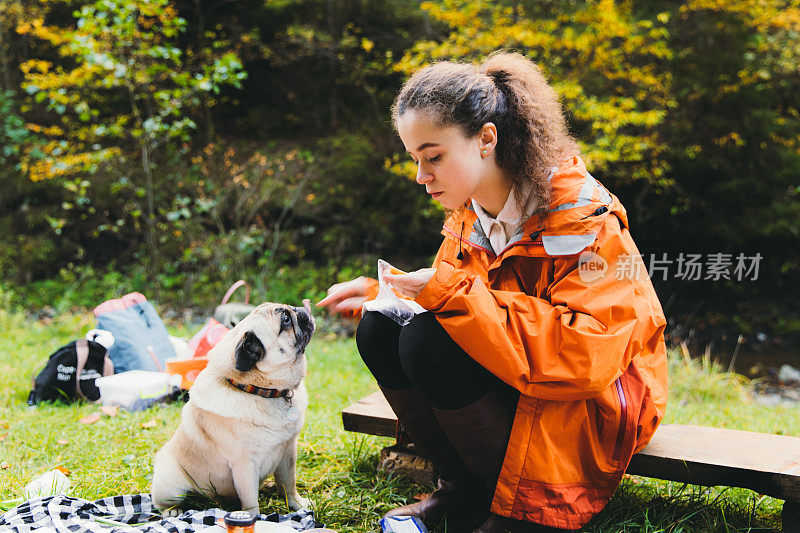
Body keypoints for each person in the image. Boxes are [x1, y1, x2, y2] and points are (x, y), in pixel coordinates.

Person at [317, 51, 668, 532]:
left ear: (486, 139)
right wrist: (389, 293)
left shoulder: (587, 221)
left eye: (433, 157)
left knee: (429, 339)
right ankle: (464, 491)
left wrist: (447, 294)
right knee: (384, 328)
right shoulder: (468, 217)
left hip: (600, 398)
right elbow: (464, 302)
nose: (421, 176)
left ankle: (523, 512)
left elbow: (588, 355)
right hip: (528, 377)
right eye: (415, 159)